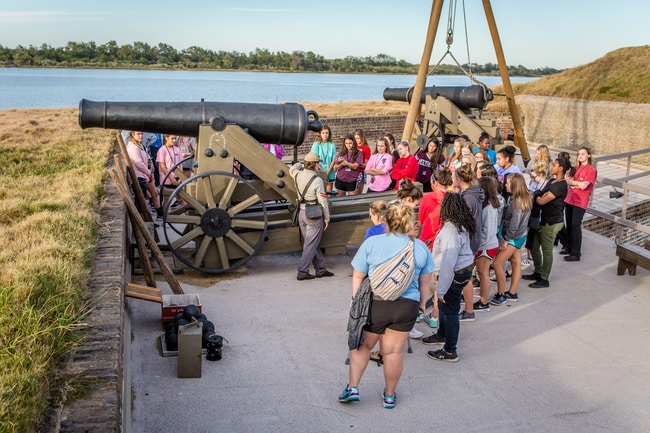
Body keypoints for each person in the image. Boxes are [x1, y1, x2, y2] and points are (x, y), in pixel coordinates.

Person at [339, 201, 434, 408]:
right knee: (392, 352)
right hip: (406, 306)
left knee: (363, 346)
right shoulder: (419, 247)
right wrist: (422, 304)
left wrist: (356, 299)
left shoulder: (373, 243)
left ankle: (353, 387)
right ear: (409, 222)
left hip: (376, 303)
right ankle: (389, 396)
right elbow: (425, 281)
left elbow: (358, 274)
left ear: (386, 221)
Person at [422, 193, 476, 362]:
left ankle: (450, 351)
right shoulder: (460, 224)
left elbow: (448, 264)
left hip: (454, 274)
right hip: (462, 270)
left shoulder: (451, 232)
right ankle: (442, 334)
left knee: (450, 310)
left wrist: (441, 290)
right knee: (446, 309)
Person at [523, 157, 571, 288]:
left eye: (554, 165)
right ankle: (538, 271)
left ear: (561, 168)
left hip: (552, 221)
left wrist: (539, 196)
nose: (552, 167)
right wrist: (540, 195)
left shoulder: (561, 185)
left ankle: (544, 278)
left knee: (546, 249)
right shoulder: (552, 181)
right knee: (533, 246)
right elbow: (541, 193)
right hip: (542, 219)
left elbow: (541, 200)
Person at [290, 152, 333, 281]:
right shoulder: (317, 180)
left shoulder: (297, 174)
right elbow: (323, 201)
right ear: (315, 164)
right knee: (310, 244)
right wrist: (327, 218)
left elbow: (292, 168)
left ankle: (320, 269)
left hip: (301, 213)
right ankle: (302, 271)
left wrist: (299, 163)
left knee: (311, 243)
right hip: (313, 214)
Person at [490, 173, 532, 305]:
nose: (505, 185)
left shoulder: (516, 202)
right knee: (515, 263)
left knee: (497, 264)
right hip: (520, 236)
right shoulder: (524, 198)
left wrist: (506, 240)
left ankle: (501, 293)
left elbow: (514, 223)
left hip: (513, 238)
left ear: (514, 185)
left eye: (508, 183)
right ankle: (512, 292)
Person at [454, 164, 485, 322]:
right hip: (475, 238)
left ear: (459, 180)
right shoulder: (475, 193)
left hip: (468, 241)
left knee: (465, 277)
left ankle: (469, 310)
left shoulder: (467, 198)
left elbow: (463, 222)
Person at [472, 176, 504, 311]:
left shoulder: (489, 208)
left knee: (483, 273)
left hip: (486, 246)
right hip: (485, 244)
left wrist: (477, 246)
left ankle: (484, 302)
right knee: (481, 273)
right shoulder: (488, 205)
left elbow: (489, 231)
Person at [561, 147, 597, 262]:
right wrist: (576, 183)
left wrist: (572, 183)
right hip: (570, 198)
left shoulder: (591, 169)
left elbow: (584, 186)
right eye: (579, 154)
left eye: (583, 154)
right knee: (569, 224)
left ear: (589, 155)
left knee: (576, 225)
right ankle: (568, 246)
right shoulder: (576, 167)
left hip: (580, 200)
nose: (580, 156)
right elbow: (567, 180)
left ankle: (576, 253)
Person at [126, 131, 163, 219]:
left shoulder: (140, 146)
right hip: (138, 177)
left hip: (143, 176)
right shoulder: (132, 147)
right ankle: (145, 221)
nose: (141, 136)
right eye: (138, 134)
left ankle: (156, 214)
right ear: (132, 134)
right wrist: (148, 172)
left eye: (141, 134)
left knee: (149, 197)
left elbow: (146, 159)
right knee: (141, 203)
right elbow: (138, 163)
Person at [157, 134, 184, 210]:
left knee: (183, 198)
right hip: (167, 179)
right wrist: (172, 179)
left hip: (177, 177)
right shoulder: (162, 150)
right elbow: (162, 167)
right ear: (166, 138)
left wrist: (180, 178)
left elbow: (181, 164)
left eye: (175, 138)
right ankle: (164, 216)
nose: (174, 140)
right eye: (172, 138)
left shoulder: (177, 149)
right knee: (167, 198)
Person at [310, 125, 337, 192]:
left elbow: (333, 159)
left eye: (327, 133)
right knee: (320, 193)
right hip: (319, 171)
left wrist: (328, 171)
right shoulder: (316, 144)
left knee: (328, 194)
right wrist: (323, 172)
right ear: (320, 134)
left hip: (329, 172)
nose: (325, 135)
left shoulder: (332, 144)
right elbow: (314, 159)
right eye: (323, 133)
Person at [353, 129, 371, 194]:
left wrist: (356, 165)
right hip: (352, 172)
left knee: (358, 194)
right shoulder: (353, 146)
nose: (356, 140)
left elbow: (366, 164)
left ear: (362, 137)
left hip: (361, 172)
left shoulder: (366, 148)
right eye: (355, 138)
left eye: (358, 138)